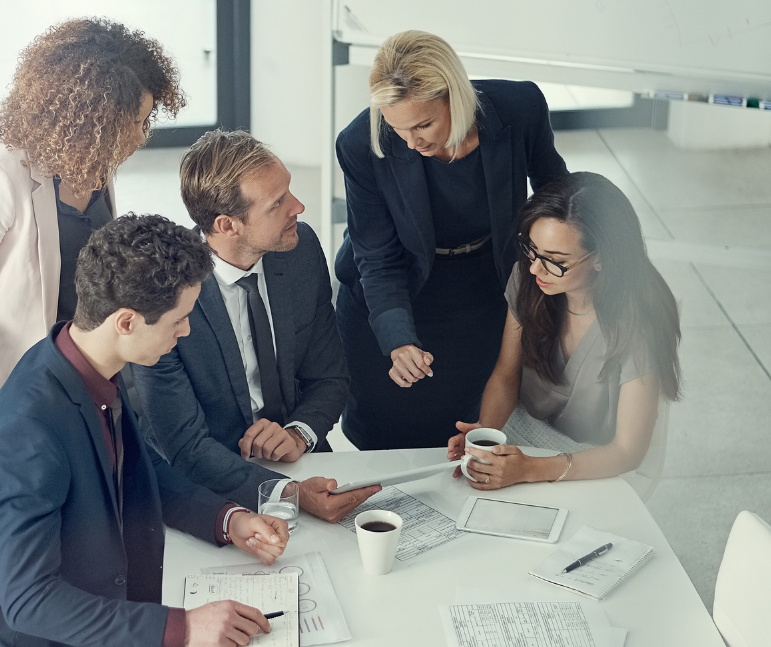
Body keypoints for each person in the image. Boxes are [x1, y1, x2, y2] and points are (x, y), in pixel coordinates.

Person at [0, 214, 292, 647]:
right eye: (179, 320)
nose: (185, 332)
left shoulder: (85, 366)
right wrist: (182, 629)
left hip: (110, 631)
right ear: (126, 321)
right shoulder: (24, 432)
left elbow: (143, 470)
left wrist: (227, 519)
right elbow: (29, 601)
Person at [0, 18, 185, 485]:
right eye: (133, 121)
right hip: (3, 390)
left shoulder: (95, 165)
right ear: (91, 117)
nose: (140, 137)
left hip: (71, 370)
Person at [334, 30, 568, 450]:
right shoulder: (360, 144)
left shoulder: (519, 108)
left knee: (465, 429)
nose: (412, 142)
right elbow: (377, 258)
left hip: (481, 283)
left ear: (455, 96)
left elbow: (557, 194)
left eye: (424, 124)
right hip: (390, 291)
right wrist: (398, 338)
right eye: (397, 127)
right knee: (384, 434)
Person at [130, 130, 381, 522]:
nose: (298, 206)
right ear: (227, 225)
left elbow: (330, 377)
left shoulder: (299, 251)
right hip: (205, 486)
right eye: (277, 203)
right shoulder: (161, 293)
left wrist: (298, 433)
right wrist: (288, 494)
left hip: (297, 460)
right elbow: (184, 445)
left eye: (289, 192)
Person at [447, 172, 682, 489]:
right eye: (531, 249)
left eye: (555, 261)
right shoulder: (529, 278)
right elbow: (506, 374)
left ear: (601, 259)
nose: (534, 269)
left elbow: (628, 451)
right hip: (524, 434)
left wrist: (529, 469)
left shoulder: (639, 323)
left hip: (596, 459)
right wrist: (487, 440)